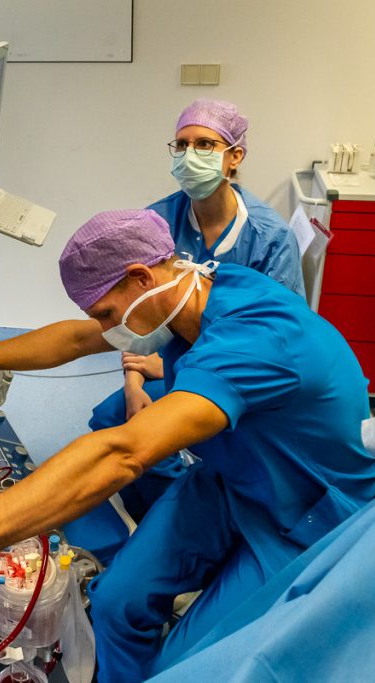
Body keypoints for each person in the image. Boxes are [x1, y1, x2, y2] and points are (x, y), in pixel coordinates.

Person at [0, 209, 375, 683]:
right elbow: (77, 337)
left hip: (306, 516)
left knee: (193, 666)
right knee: (116, 603)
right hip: (236, 479)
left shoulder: (254, 339)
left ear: (140, 277)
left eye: (108, 312)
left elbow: (123, 455)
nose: (105, 330)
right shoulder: (199, 289)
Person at [92, 99, 305, 519]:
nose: (191, 156)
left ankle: (202, 515)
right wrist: (135, 380)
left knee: (186, 434)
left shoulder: (268, 239)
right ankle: (168, 515)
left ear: (234, 157)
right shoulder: (155, 223)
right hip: (168, 364)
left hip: (235, 376)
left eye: (206, 144)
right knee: (114, 418)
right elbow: (133, 313)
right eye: (182, 144)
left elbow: (277, 340)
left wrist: (174, 369)